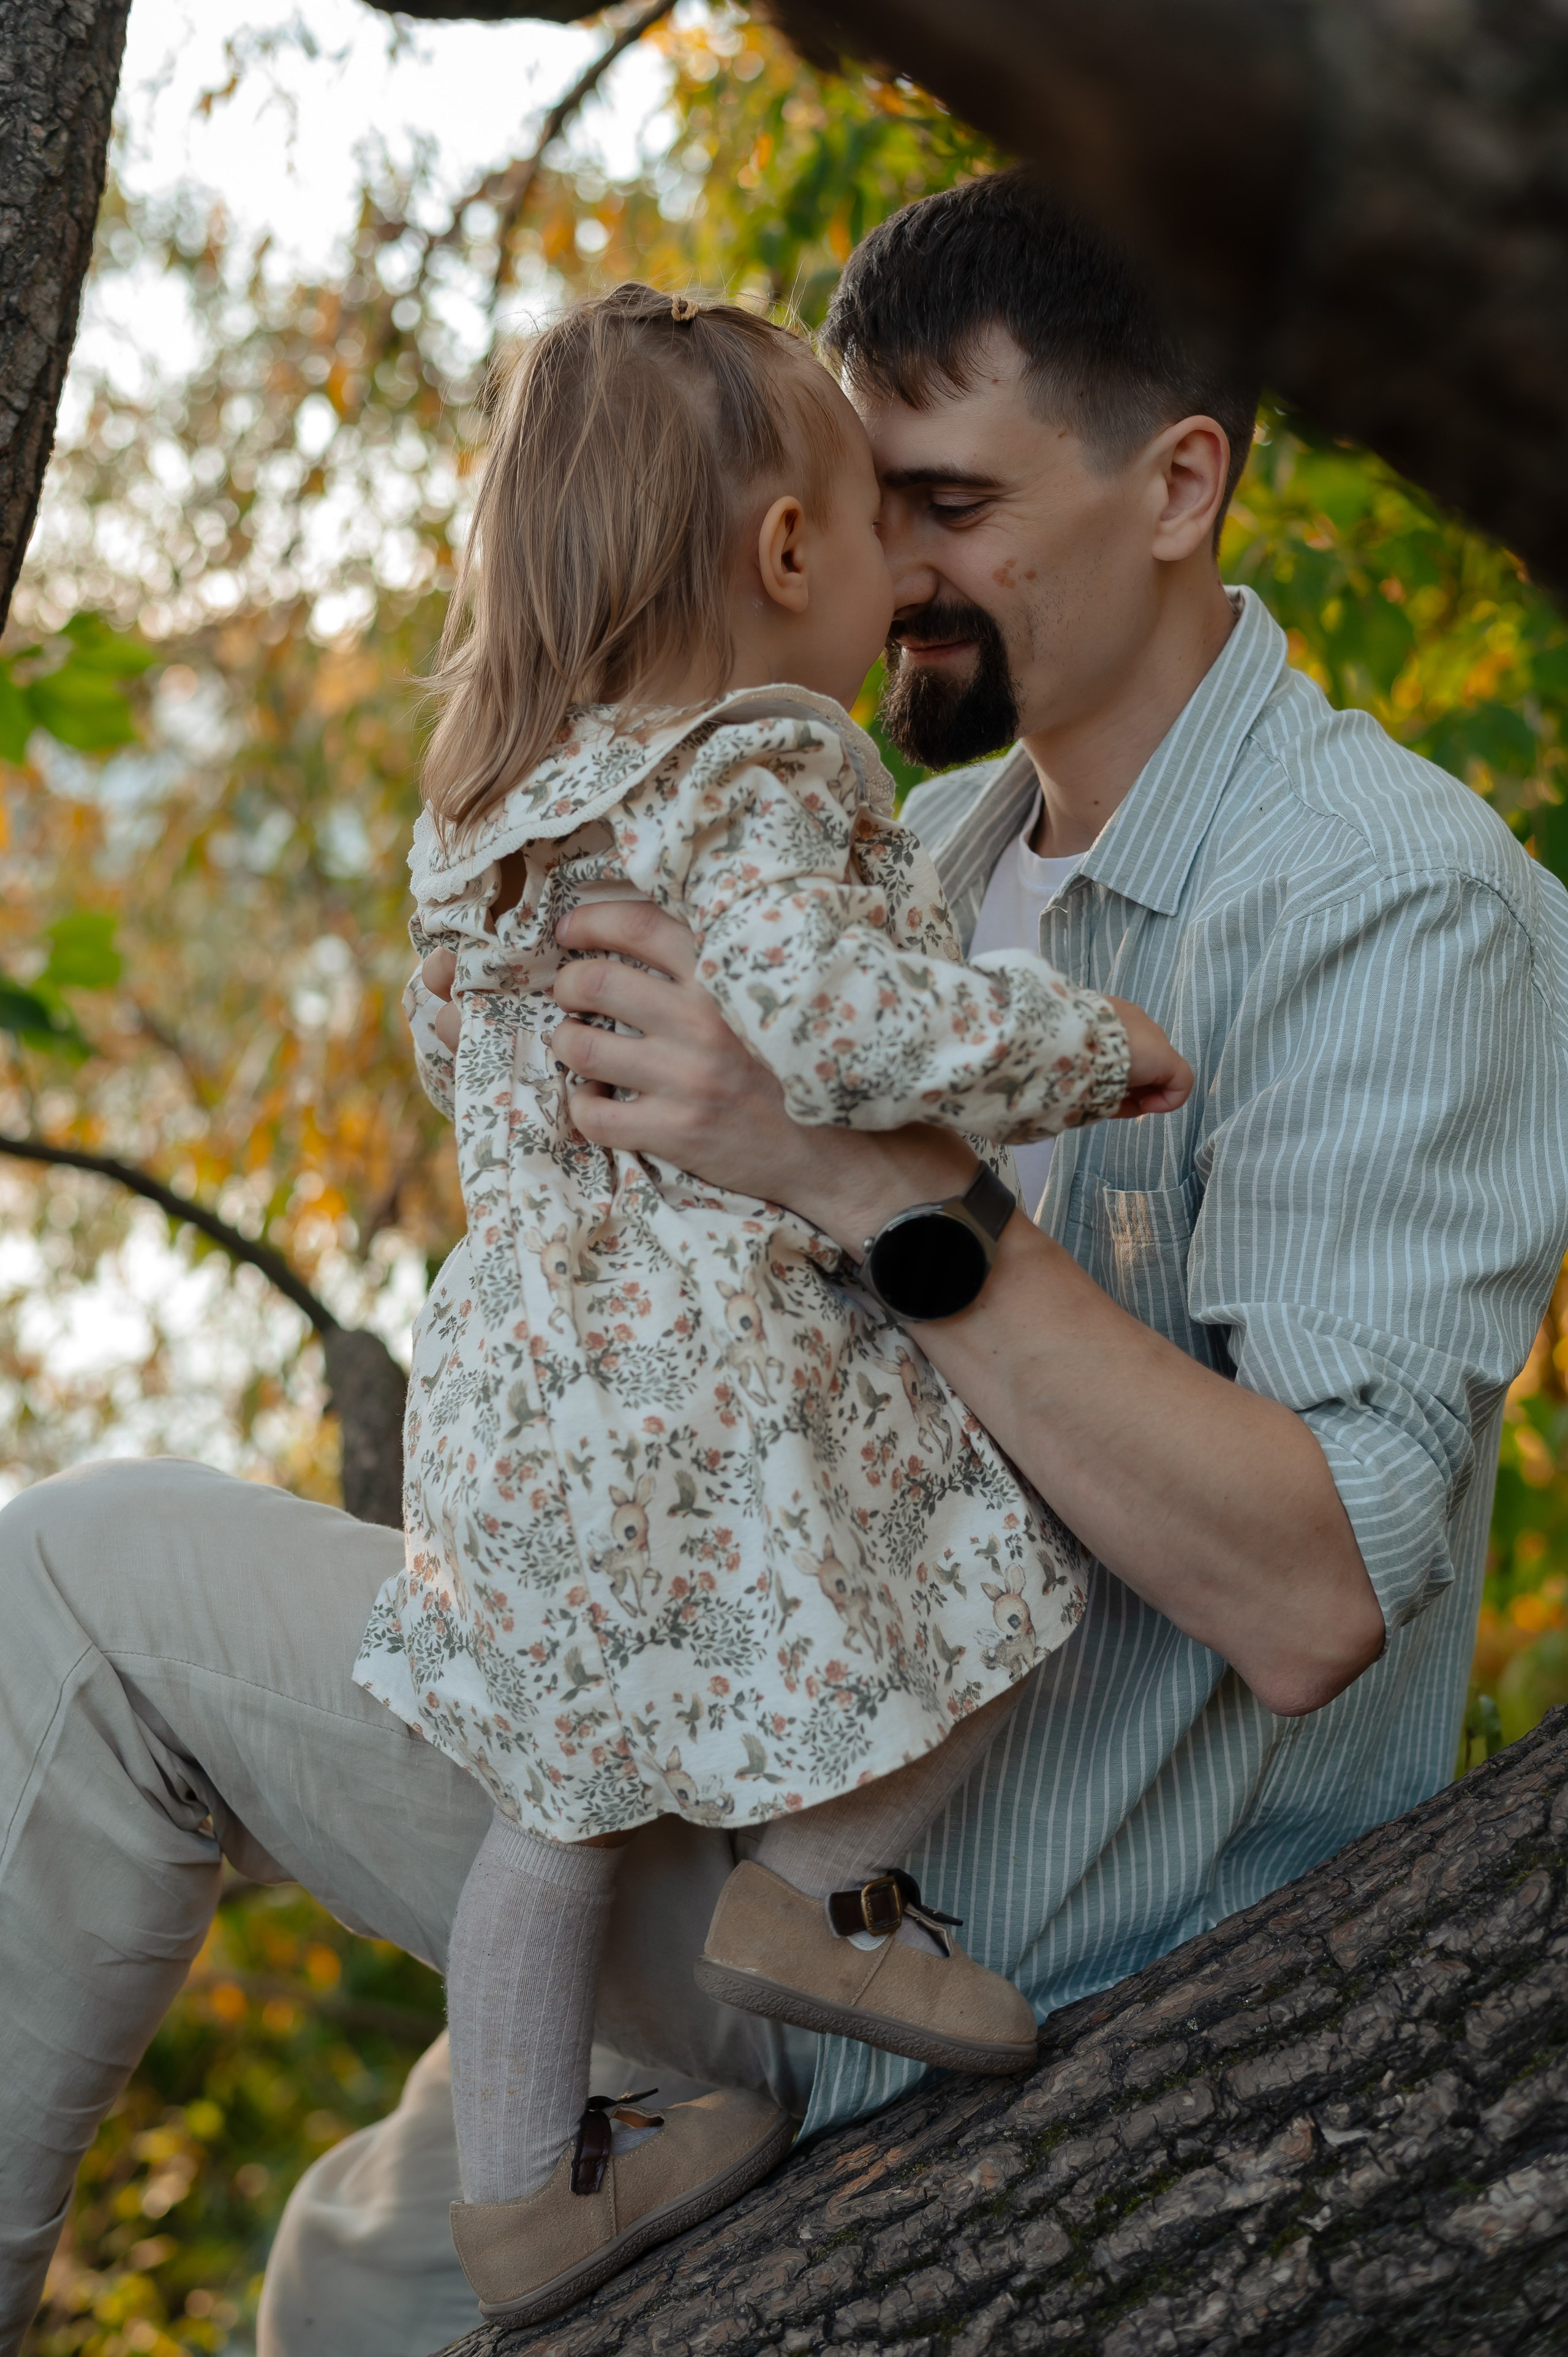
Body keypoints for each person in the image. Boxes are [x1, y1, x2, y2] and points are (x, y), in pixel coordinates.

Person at [2, 169, 1564, 2357]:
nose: (878, 568)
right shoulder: (903, 837)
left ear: (1182, 482)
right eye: (855, 493)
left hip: (1000, 1887)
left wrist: (847, 1169)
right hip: (724, 1725)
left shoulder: (1397, 907)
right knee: (332, 2250)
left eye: (946, 500)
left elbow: (1316, 1589)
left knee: (105, 1636)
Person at [359, 277, 1190, 2326]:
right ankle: (827, 1900)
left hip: (511, 1400)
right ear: (787, 552)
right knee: (1007, 1565)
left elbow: (455, 1054)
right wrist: (1088, 1044)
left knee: (553, 1810)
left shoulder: (485, 822)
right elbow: (834, 1021)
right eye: (869, 521)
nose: (901, 577)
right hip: (711, 1361)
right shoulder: (750, 769)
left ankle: (525, 2195)